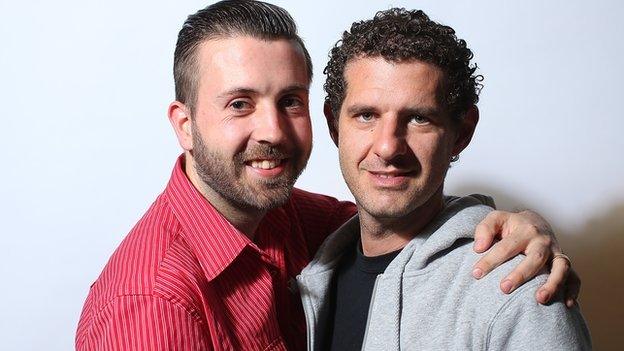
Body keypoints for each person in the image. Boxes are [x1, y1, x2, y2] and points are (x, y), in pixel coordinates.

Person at [76, 1, 579, 350]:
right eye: (239, 104)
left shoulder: (304, 225)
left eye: (289, 101)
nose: (271, 130)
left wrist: (515, 224)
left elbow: (395, 219)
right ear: (185, 126)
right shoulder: (150, 303)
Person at [297, 8, 591, 350]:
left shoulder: (517, 290)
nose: (388, 146)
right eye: (366, 115)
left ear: (461, 133)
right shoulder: (307, 268)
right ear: (335, 126)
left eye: (419, 118)